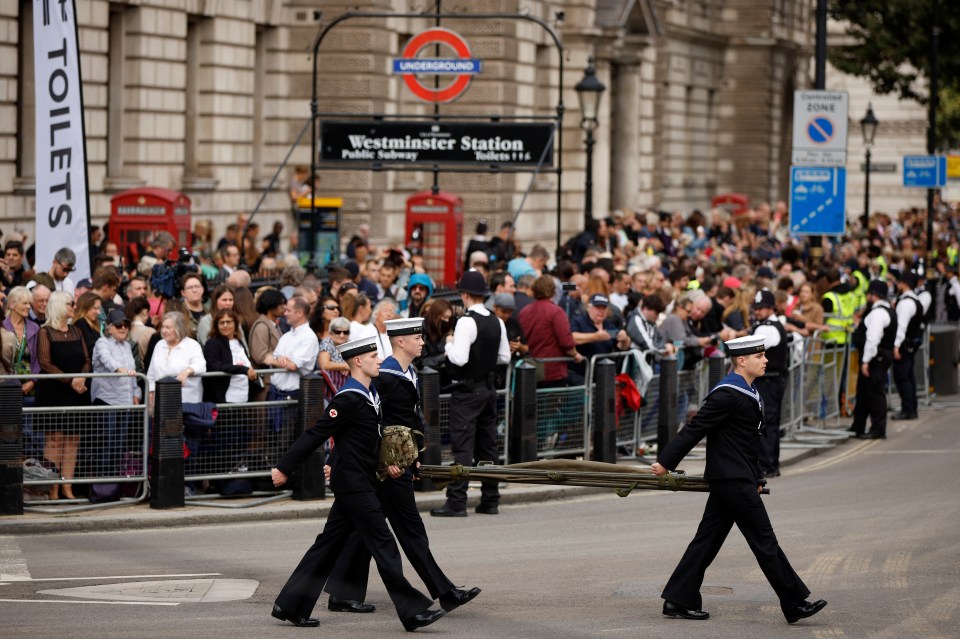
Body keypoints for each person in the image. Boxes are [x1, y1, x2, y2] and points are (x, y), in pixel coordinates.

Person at [269, 335, 446, 631]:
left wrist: (388, 462)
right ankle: (412, 610)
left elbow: (368, 440)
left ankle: (290, 604)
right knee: (384, 542)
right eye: (374, 356)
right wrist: (285, 468)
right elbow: (316, 434)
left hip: (362, 478)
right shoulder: (348, 398)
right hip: (353, 483)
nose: (379, 360)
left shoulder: (370, 394)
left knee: (327, 544)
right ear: (359, 362)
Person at [652, 335, 827, 625]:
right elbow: (695, 428)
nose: (766, 360)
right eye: (760, 356)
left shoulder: (748, 390)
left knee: (706, 541)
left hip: (736, 477)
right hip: (732, 480)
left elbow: (747, 441)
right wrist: (665, 462)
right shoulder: (728, 393)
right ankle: (794, 603)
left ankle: (678, 599)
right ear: (742, 361)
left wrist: (756, 476)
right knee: (764, 541)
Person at [324, 318, 482, 614]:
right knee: (409, 529)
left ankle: (343, 593)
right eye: (417, 337)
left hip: (397, 463)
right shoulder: (385, 375)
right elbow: (367, 422)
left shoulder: (408, 372)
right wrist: (385, 462)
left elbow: (408, 422)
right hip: (387, 468)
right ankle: (444, 593)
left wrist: (414, 454)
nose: (422, 342)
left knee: (362, 531)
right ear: (401, 342)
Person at [431, 271, 511, 517]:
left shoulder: (466, 321)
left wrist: (449, 344)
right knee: (488, 447)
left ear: (464, 294)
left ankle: (457, 500)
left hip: (467, 390)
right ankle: (491, 499)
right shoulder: (497, 320)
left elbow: (460, 357)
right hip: (489, 389)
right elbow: (505, 357)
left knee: (463, 447)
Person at [36, 291, 91, 500]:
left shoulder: (77, 331)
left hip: (77, 392)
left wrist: (82, 379)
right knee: (54, 440)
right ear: (59, 305)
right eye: (70, 303)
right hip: (54, 392)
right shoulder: (45, 332)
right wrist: (72, 381)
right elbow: (45, 363)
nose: (74, 307)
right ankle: (52, 488)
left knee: (73, 439)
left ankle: (67, 485)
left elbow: (87, 358)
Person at [90, 309, 140, 482]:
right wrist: (119, 369)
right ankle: (102, 482)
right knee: (105, 442)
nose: (123, 328)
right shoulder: (101, 342)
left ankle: (115, 482)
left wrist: (136, 393)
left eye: (126, 325)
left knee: (119, 443)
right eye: (119, 325)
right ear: (109, 327)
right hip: (106, 399)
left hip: (124, 401)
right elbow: (106, 360)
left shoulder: (127, 346)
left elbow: (133, 371)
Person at [261, 297, 320, 437]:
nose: (285, 313)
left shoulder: (309, 337)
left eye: (288, 310)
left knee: (286, 440)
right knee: (272, 438)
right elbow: (267, 358)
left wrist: (283, 361)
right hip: (275, 394)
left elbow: (293, 365)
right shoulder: (286, 336)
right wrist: (282, 361)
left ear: (299, 313)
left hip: (292, 397)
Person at [517, 275, 585, 387]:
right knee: (553, 403)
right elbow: (566, 342)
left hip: (529, 369)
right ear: (553, 291)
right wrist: (575, 354)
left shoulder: (524, 312)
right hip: (552, 371)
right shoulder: (556, 312)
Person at [750, 290, 789, 478]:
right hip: (772, 380)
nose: (757, 311)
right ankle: (770, 463)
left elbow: (751, 351)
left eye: (761, 308)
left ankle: (767, 464)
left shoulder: (767, 328)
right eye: (756, 307)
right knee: (769, 422)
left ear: (770, 308)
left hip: (769, 381)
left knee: (766, 423)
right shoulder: (771, 325)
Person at [850, 280, 896, 439]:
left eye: (868, 294)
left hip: (875, 358)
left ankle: (878, 429)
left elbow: (873, 339)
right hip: (879, 356)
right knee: (863, 393)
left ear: (874, 295)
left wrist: (866, 361)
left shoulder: (878, 313)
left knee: (875, 394)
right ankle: (858, 425)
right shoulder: (887, 309)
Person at [146, 311, 207, 407]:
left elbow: (201, 365)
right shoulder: (159, 345)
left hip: (187, 402)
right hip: (162, 401)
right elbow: (151, 374)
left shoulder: (192, 345)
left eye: (168, 327)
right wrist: (151, 392)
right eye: (163, 327)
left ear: (179, 328)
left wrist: (186, 372)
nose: (164, 331)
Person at [892, 272, 924, 421]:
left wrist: (896, 346)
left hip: (905, 344)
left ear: (904, 284)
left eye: (899, 283)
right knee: (909, 376)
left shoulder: (905, 303)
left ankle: (907, 409)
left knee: (902, 377)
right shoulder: (914, 299)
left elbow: (901, 327)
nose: (897, 285)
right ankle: (912, 408)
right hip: (911, 343)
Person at [248, 288, 285, 401]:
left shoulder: (274, 325)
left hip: (274, 381)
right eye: (280, 304)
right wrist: (284, 363)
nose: (284, 307)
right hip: (265, 384)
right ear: (271, 305)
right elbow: (260, 356)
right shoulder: (262, 326)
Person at [317, 316, 351, 396]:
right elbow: (324, 365)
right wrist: (345, 366)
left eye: (345, 332)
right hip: (326, 388)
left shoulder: (350, 344)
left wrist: (348, 366)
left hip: (345, 386)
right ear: (330, 333)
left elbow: (356, 363)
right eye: (338, 332)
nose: (342, 335)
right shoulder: (327, 342)